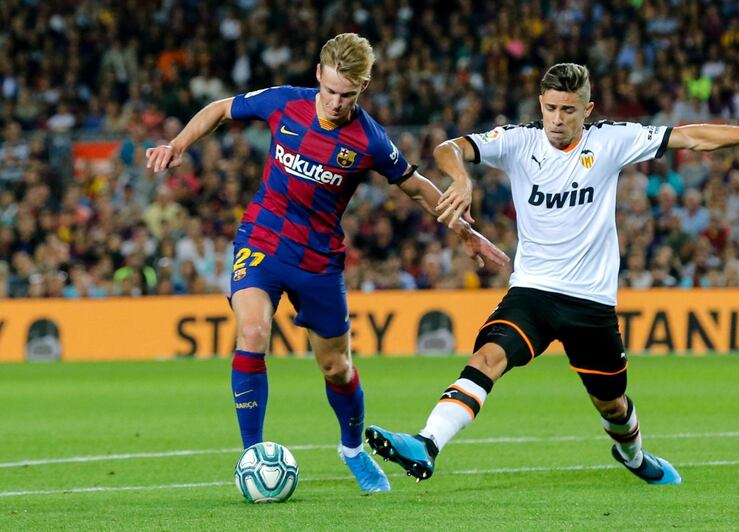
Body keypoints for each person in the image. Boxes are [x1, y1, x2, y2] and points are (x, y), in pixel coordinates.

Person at [367, 63, 739, 485]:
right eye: (551, 107)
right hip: (532, 292)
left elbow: (689, 136)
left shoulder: (611, 140)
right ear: (540, 104)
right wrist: (460, 178)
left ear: (587, 109)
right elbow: (448, 147)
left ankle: (634, 455)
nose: (557, 118)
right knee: (487, 358)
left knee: (611, 404)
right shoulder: (518, 142)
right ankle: (427, 443)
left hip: (591, 302)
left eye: (568, 110)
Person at [145, 33, 509, 494]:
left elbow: (416, 186)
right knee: (254, 331)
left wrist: (467, 234)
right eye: (331, 90)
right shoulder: (284, 103)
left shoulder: (370, 139)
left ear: (364, 87)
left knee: (336, 367)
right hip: (262, 239)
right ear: (318, 74)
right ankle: (252, 454)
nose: (336, 102)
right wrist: (178, 143)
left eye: (347, 94)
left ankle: (352, 449)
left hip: (318, 260)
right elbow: (220, 108)